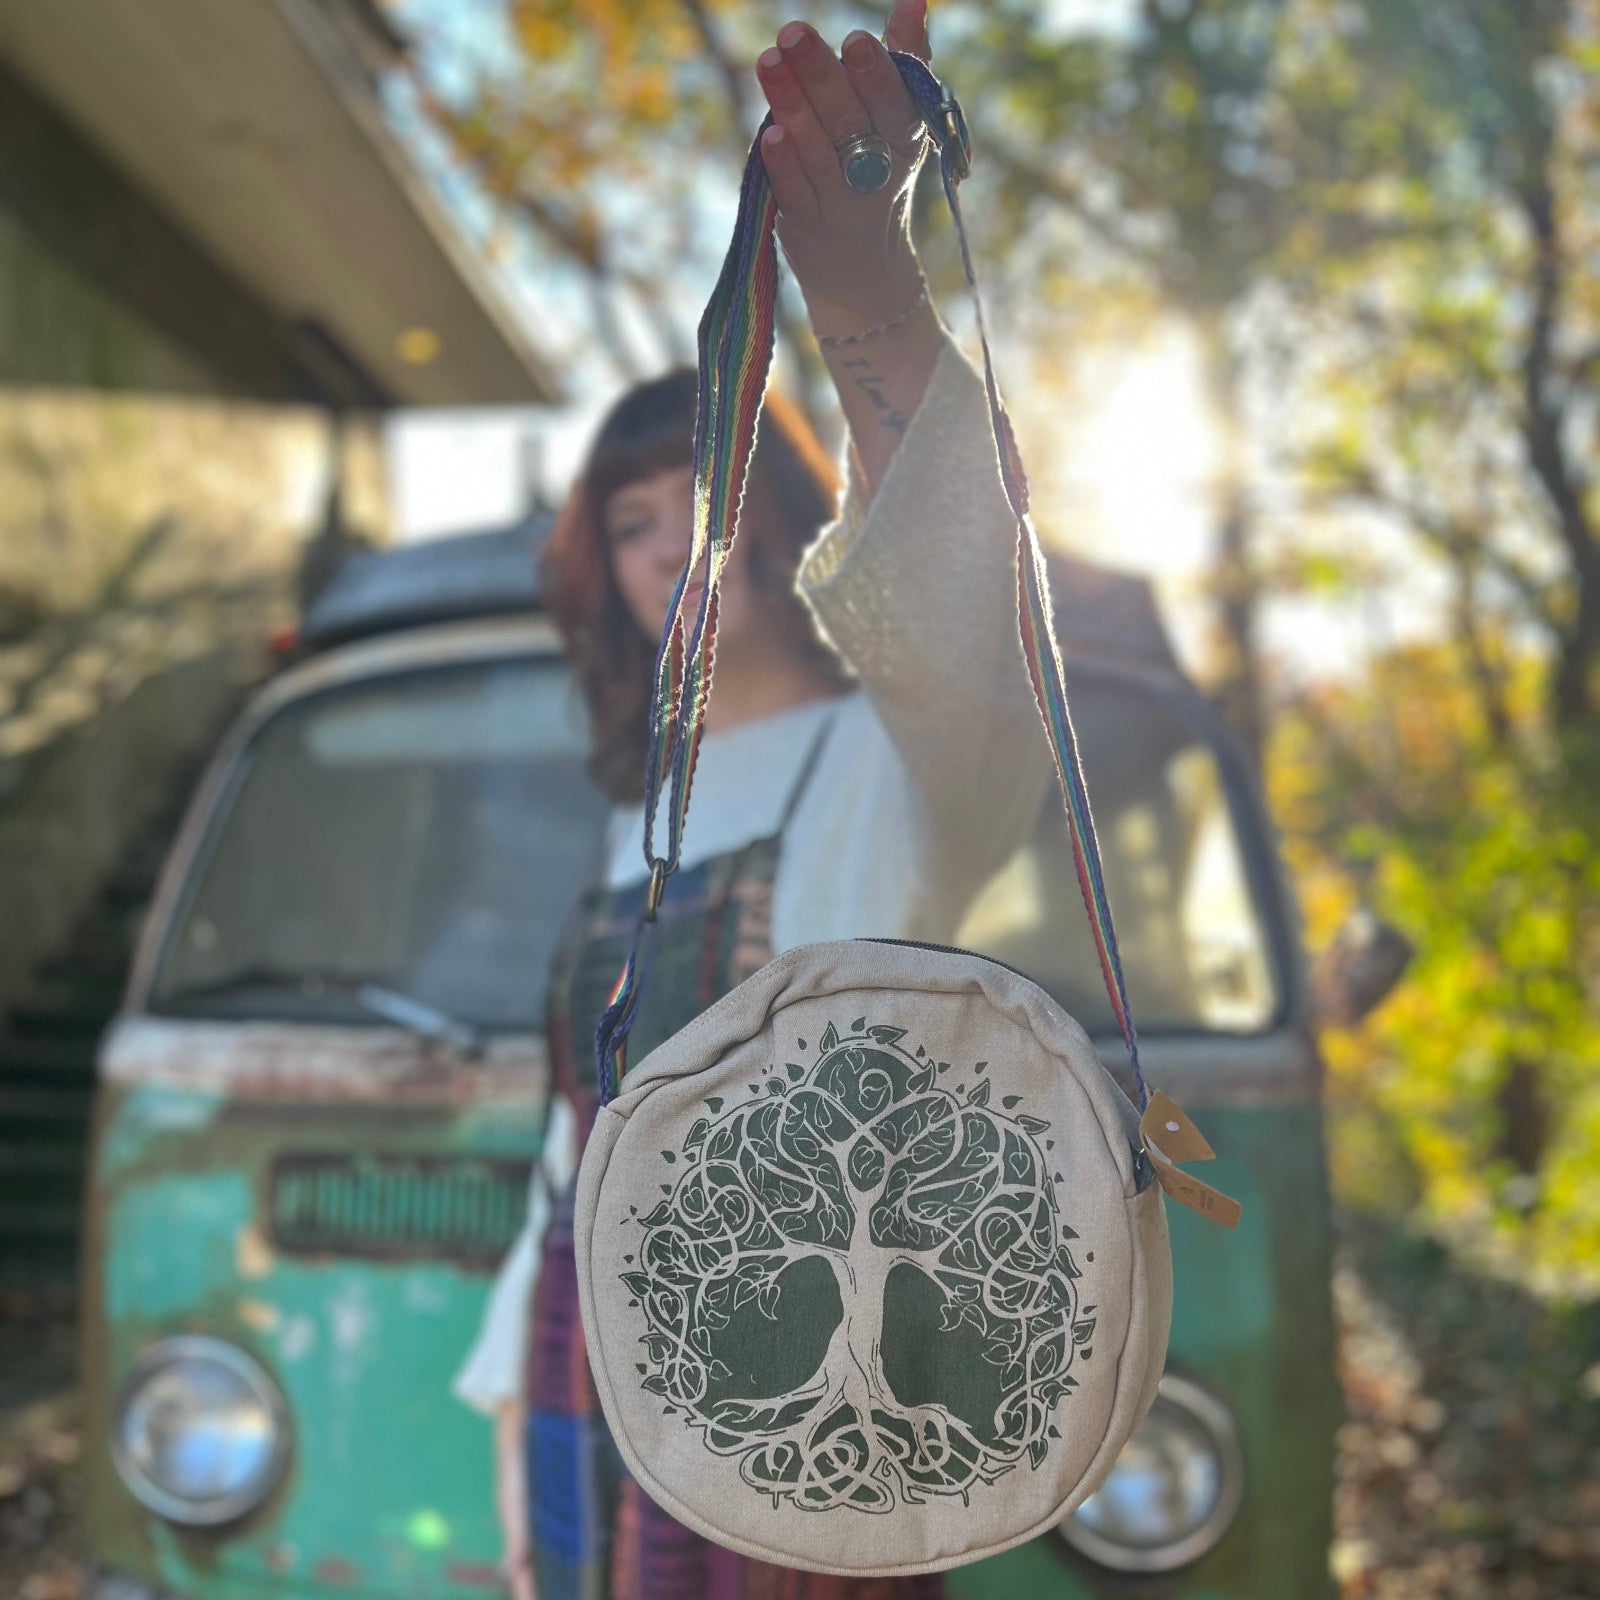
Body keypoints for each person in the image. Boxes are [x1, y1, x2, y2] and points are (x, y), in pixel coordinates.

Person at [455, 3, 1052, 1593]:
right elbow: (573, 1150)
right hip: (592, 1351)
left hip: (810, 1371)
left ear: (773, 496)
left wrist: (864, 301)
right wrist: (520, 1397)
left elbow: (967, 626)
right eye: (629, 521)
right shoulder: (640, 822)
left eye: (697, 488)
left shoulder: (899, 752)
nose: (668, 545)